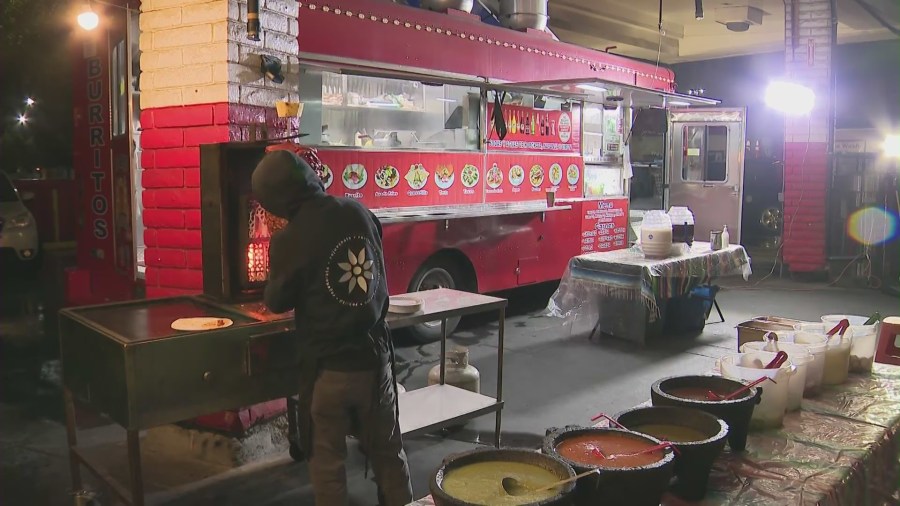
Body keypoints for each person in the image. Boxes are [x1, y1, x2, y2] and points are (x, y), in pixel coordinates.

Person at [251, 146, 413, 506]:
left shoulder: (289, 238)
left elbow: (277, 301)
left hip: (329, 370)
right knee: (389, 453)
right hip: (376, 363)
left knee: (328, 466)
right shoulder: (357, 210)